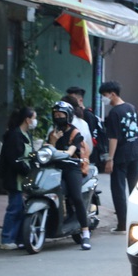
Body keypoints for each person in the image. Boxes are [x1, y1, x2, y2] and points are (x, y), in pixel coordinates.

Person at [99, 81, 138, 232]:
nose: (103, 99)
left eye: (104, 95)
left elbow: (113, 138)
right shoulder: (131, 107)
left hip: (120, 156)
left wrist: (110, 159)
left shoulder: (114, 113)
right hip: (136, 153)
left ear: (112, 93)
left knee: (118, 190)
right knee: (134, 189)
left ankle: (123, 224)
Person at [48, 101, 91, 250]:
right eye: (56, 115)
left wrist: (55, 150)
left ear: (69, 116)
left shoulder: (75, 133)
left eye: (61, 115)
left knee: (76, 197)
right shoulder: (52, 132)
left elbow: (70, 153)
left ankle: (85, 233)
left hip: (72, 168)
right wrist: (53, 141)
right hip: (56, 169)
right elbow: (49, 150)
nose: (58, 117)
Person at [0, 107, 36, 250]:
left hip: (23, 178)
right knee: (14, 208)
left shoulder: (26, 135)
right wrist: (26, 169)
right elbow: (14, 159)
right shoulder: (15, 136)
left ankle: (19, 238)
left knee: (21, 209)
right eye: (33, 118)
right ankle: (7, 239)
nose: (34, 121)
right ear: (27, 119)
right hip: (14, 178)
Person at [66, 86, 109, 167]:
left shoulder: (87, 115)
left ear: (80, 100)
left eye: (71, 100)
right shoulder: (72, 115)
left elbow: (91, 138)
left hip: (87, 156)